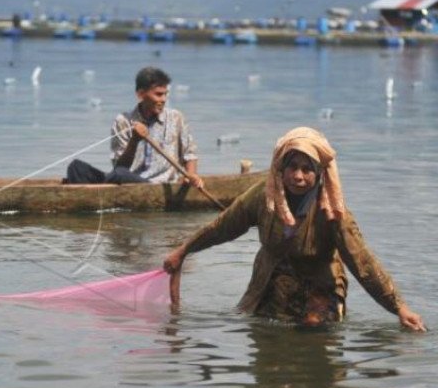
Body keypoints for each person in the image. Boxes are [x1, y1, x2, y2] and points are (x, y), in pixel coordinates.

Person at [163, 127, 426, 331]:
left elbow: (362, 261)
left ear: (319, 173)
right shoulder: (262, 198)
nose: (298, 177)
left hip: (319, 281)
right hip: (271, 279)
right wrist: (184, 250)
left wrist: (399, 307)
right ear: (281, 168)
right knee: (264, 333)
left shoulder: (332, 212)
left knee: (313, 329)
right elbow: (223, 227)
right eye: (292, 167)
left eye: (306, 169)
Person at [65, 66, 203, 188]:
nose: (163, 100)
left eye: (165, 94)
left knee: (119, 175)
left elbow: (189, 154)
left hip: (157, 185)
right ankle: (96, 197)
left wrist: (191, 176)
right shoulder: (123, 121)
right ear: (141, 94)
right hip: (129, 181)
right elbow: (120, 166)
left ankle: (98, 196)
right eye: (158, 94)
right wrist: (134, 141)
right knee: (76, 168)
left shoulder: (176, 118)